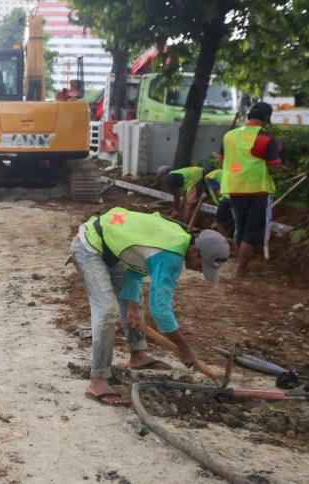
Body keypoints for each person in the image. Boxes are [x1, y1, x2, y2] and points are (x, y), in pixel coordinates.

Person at [70, 207, 230, 406]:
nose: (199, 271)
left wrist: (131, 306)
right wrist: (185, 348)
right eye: (201, 265)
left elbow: (136, 266)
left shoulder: (178, 239)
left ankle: (138, 355)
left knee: (135, 303)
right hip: (90, 246)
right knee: (106, 311)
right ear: (195, 251)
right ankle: (98, 379)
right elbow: (161, 310)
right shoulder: (170, 256)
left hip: (116, 248)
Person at [220, 102, 281, 278]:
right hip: (257, 191)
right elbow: (274, 168)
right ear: (267, 118)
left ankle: (238, 267)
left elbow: (221, 162)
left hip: (234, 188)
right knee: (252, 231)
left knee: (240, 227)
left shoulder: (229, 136)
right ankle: (241, 271)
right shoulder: (266, 139)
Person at [203, 167, 234, 237]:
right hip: (238, 198)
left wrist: (220, 203)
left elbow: (218, 191)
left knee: (218, 220)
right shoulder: (221, 172)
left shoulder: (209, 176)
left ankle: (224, 239)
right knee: (231, 222)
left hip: (227, 198)